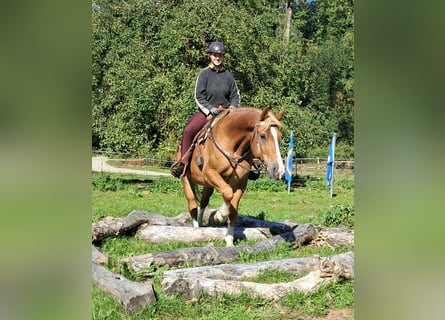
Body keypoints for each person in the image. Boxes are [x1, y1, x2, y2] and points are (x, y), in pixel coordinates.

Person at [171, 41, 240, 177]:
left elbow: (235, 94)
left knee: (244, 131)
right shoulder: (204, 74)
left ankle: (250, 165)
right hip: (207, 113)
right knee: (188, 130)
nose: (217, 58)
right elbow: (198, 95)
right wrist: (209, 109)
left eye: (220, 55)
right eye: (215, 55)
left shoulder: (228, 76)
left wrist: (233, 107)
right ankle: (183, 163)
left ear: (223, 57)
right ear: (210, 56)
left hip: (226, 113)